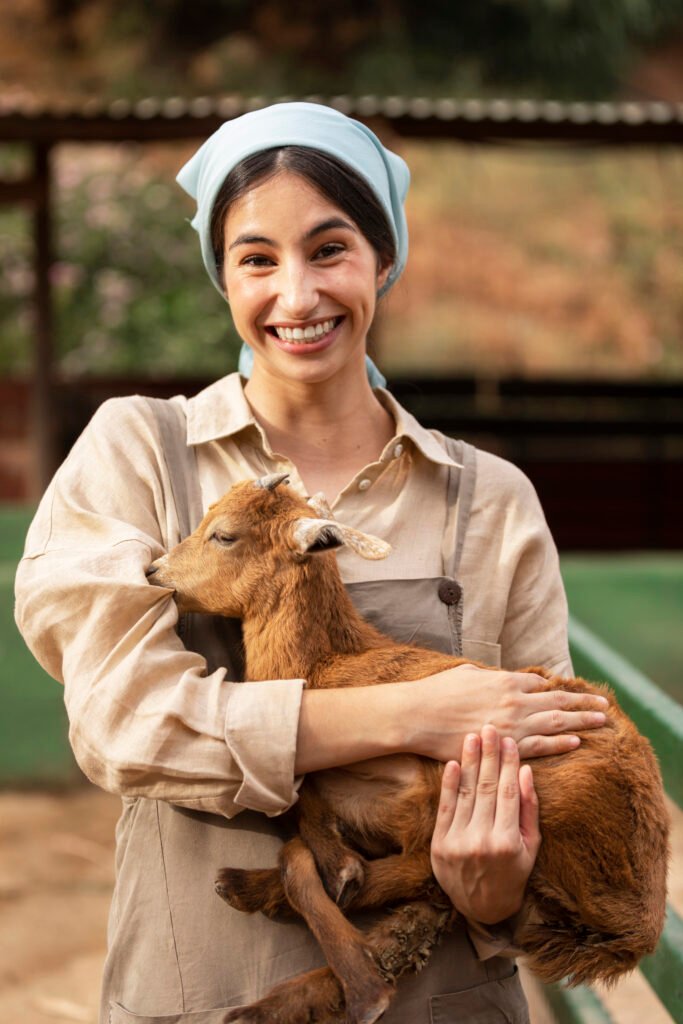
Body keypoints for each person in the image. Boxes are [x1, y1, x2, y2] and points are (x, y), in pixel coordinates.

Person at [14, 102, 608, 1024]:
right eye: (257, 259)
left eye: (329, 250)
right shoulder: (140, 452)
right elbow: (123, 726)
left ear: (383, 261)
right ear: (223, 277)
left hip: (444, 1001)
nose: (296, 297)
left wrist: (494, 887)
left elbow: (557, 772)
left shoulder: (487, 499)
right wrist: (416, 711)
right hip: (197, 992)